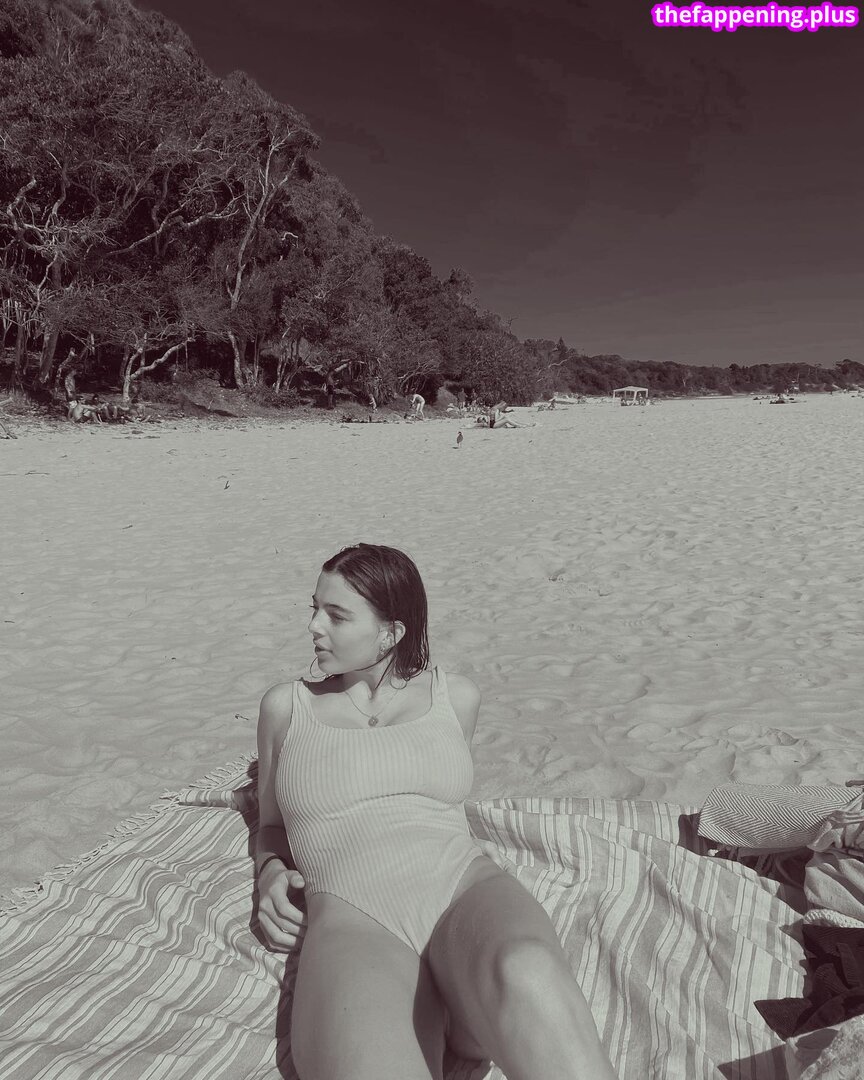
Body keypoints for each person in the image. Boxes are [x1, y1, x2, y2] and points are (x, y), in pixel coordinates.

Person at [255, 543, 618, 1080]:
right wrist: (269, 870)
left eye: (336, 615)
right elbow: (269, 824)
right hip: (356, 917)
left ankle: (464, 1007)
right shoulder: (288, 707)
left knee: (529, 969)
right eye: (314, 609)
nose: (314, 626)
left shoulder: (456, 698)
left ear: (391, 632)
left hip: (462, 892)